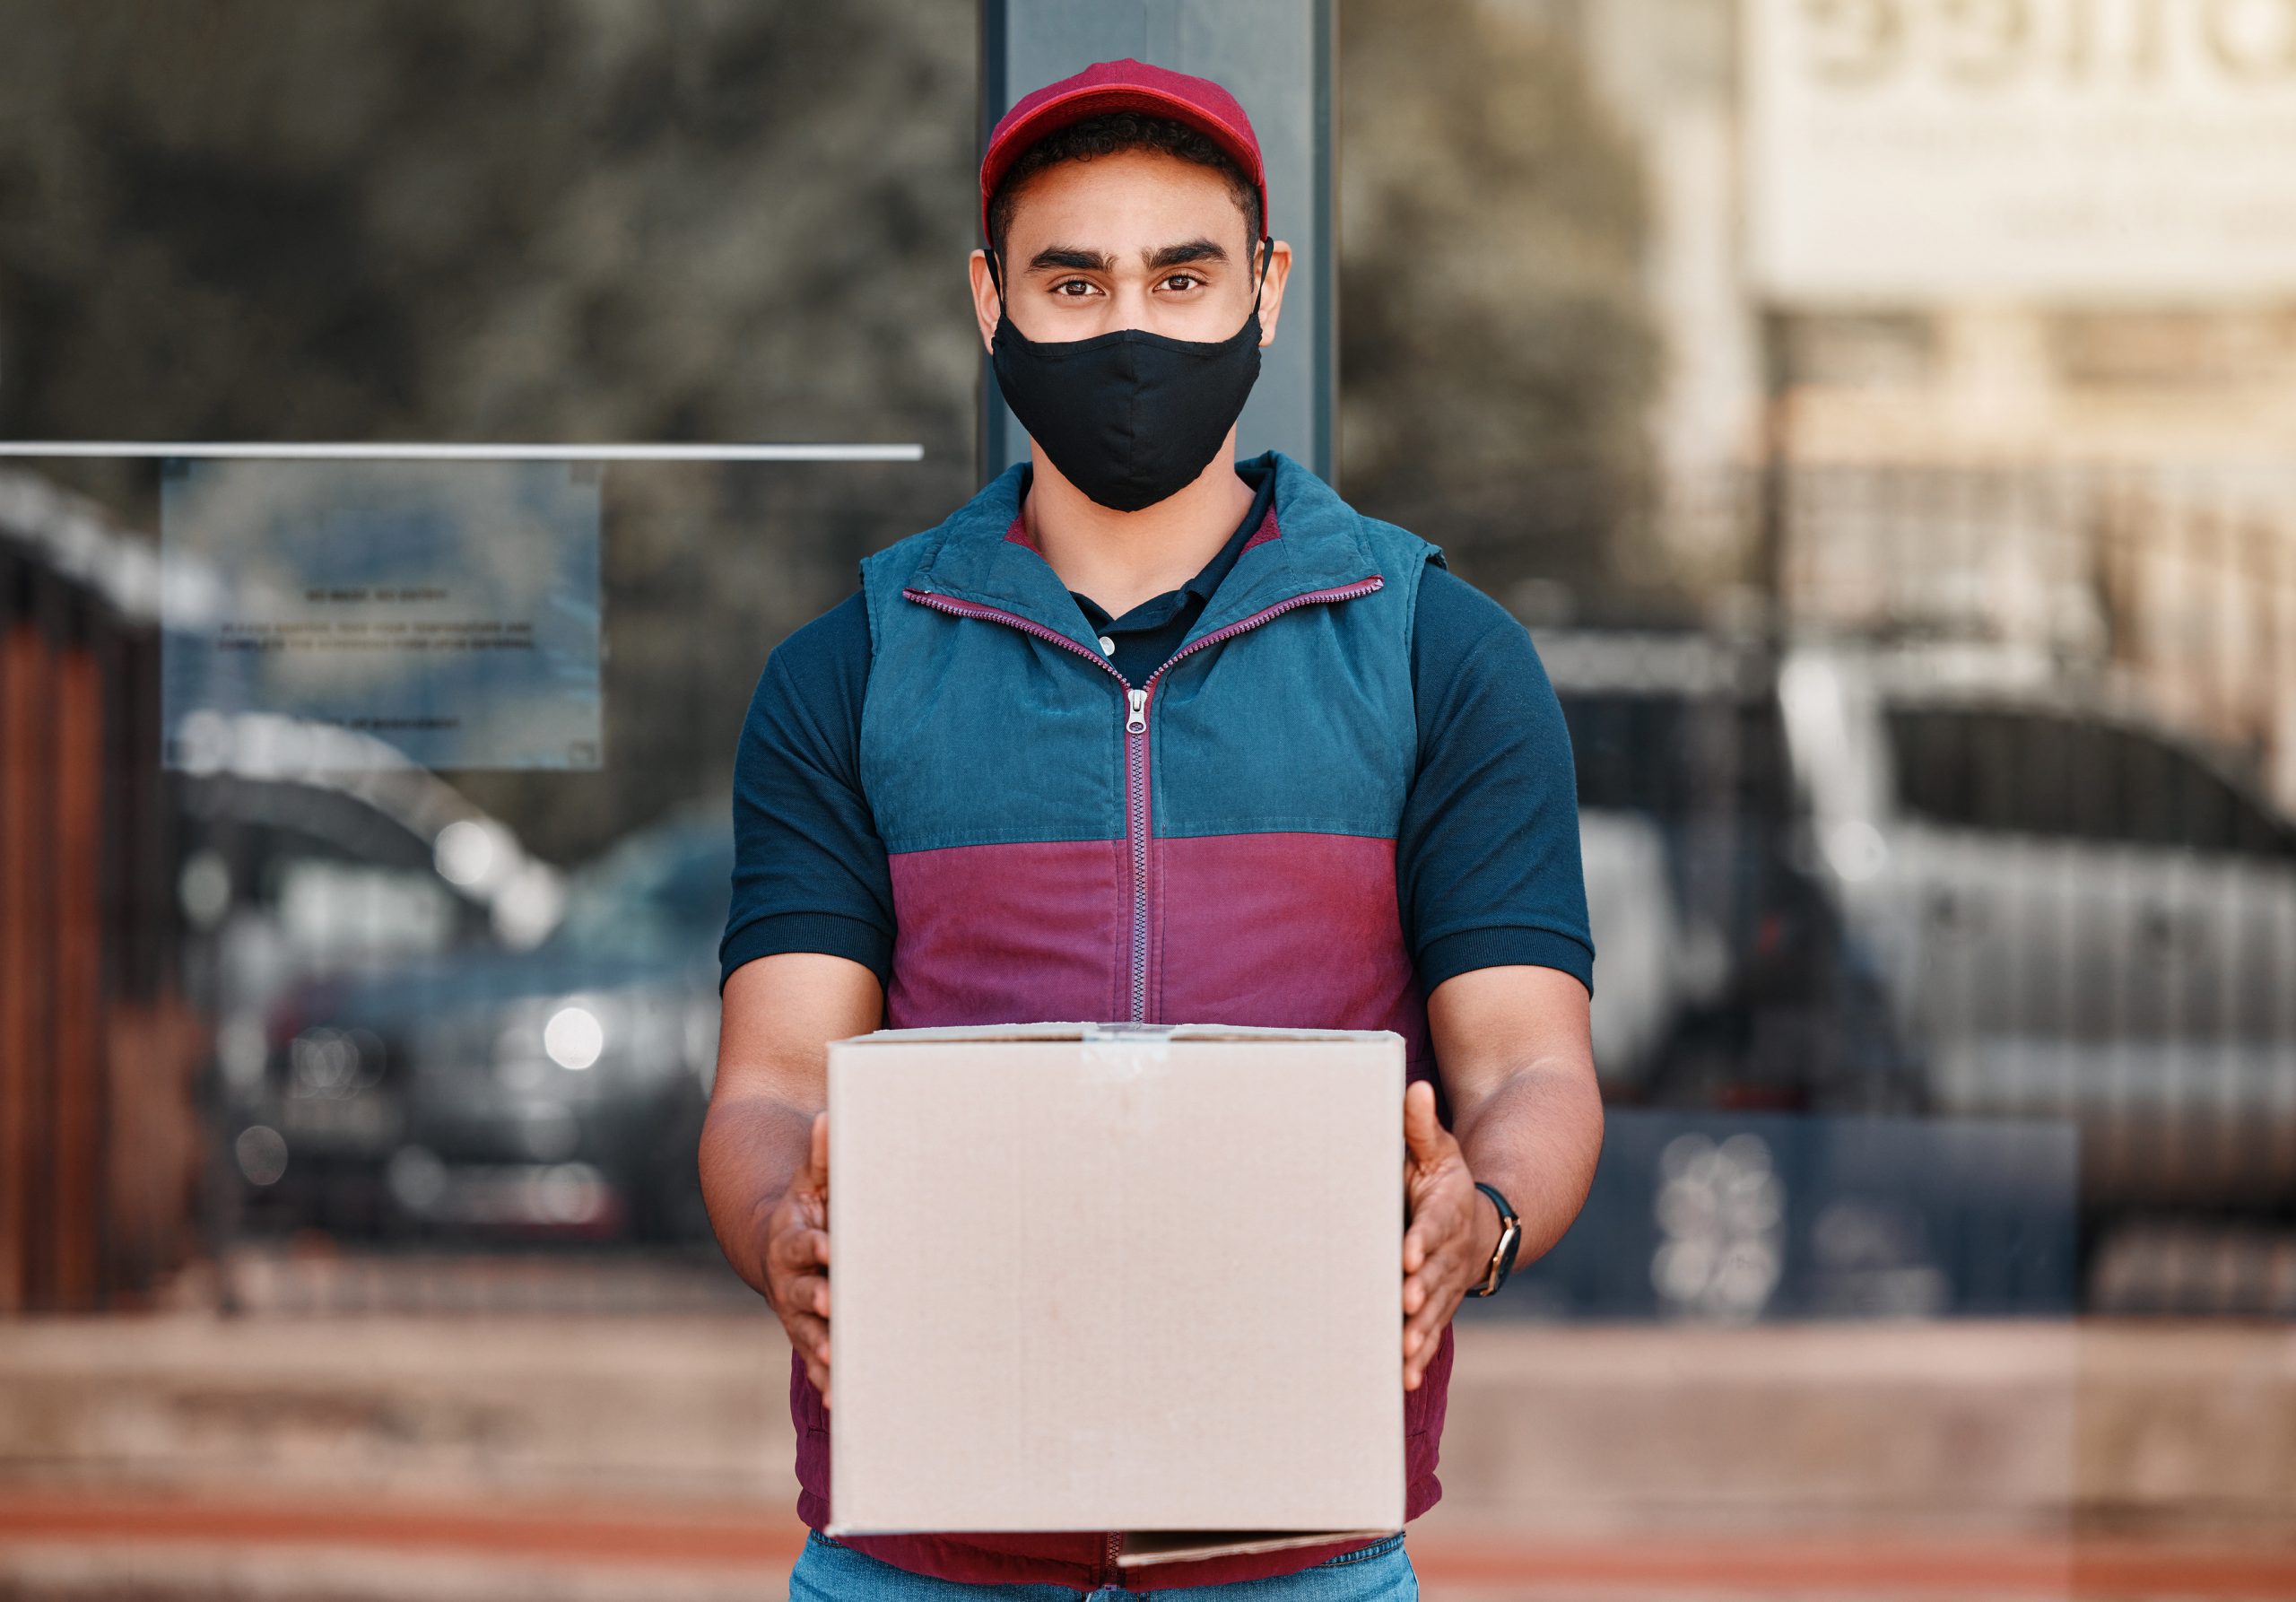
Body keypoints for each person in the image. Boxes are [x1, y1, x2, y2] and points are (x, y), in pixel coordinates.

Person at [702, 57, 1602, 1601]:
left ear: (1268, 292)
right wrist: (777, 1223)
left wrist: (1488, 1219)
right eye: (1075, 279)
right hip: (915, 1553)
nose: (1131, 327)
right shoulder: (848, 668)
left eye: (1182, 276)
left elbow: (1532, 1063)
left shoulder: (1436, 652)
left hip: (1300, 1549)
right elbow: (769, 1082)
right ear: (992, 305)